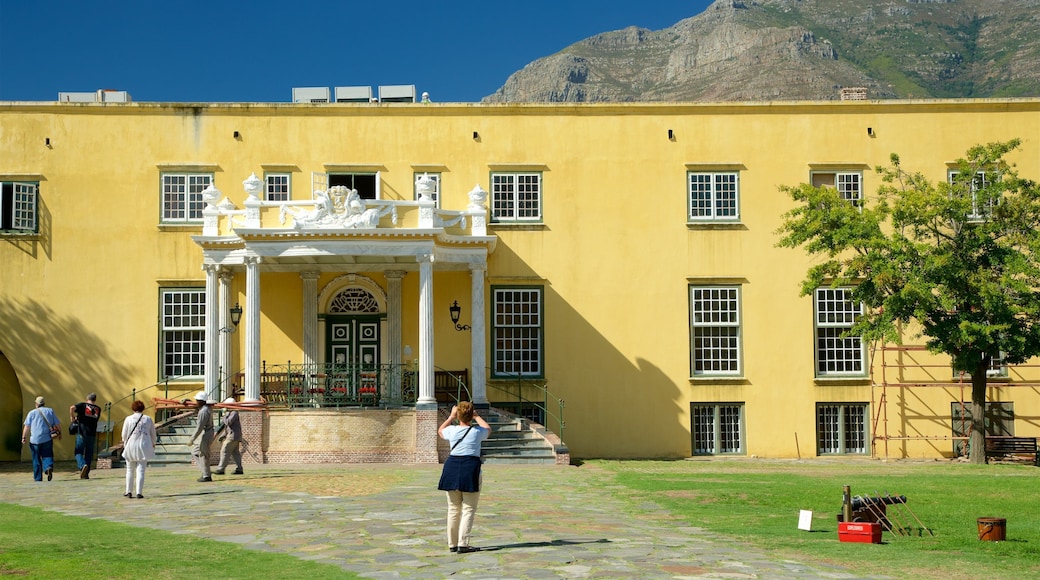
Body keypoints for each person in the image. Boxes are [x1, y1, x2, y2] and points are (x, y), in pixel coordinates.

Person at [437, 401, 491, 553]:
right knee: (468, 508)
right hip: (470, 467)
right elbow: (488, 429)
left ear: (458, 415)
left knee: (453, 508)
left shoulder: (452, 430)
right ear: (471, 416)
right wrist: (477, 416)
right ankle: (463, 543)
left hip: (452, 467)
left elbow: (440, 431)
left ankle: (452, 544)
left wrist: (451, 417)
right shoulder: (476, 432)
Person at [121, 400, 156, 499]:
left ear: (133, 408)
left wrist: (125, 442)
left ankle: (128, 491)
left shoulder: (128, 419)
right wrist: (154, 443)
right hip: (143, 445)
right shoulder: (148, 419)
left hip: (131, 445)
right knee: (141, 470)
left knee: (129, 469)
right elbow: (153, 433)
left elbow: (124, 434)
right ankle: (139, 492)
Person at [21, 396, 61, 482]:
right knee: (48, 455)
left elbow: (27, 426)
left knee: (36, 459)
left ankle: (38, 478)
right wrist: (60, 433)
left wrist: (24, 437)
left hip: (34, 440)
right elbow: (57, 424)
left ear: (36, 404)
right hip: (47, 438)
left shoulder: (31, 413)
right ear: (44, 403)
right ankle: (48, 467)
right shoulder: (50, 411)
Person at [70, 392, 102, 479]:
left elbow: (72, 407)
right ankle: (86, 473)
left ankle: (82, 465)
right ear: (95, 399)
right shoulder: (98, 409)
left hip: (82, 433)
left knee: (78, 452)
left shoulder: (83, 405)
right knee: (89, 454)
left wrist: (72, 417)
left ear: (87, 398)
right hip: (92, 434)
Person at [187, 391, 215, 482]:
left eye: (197, 400)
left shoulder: (204, 411)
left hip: (206, 434)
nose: (196, 402)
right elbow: (196, 409)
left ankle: (206, 475)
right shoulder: (205, 408)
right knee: (195, 453)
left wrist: (192, 439)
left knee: (204, 455)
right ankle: (205, 472)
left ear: (202, 401)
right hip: (205, 433)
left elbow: (199, 427)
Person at [214, 397, 244, 475]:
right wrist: (223, 435)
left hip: (233, 436)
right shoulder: (230, 413)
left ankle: (221, 469)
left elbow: (228, 422)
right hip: (233, 435)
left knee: (224, 451)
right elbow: (228, 428)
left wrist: (224, 415)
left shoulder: (234, 412)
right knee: (235, 453)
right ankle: (239, 468)